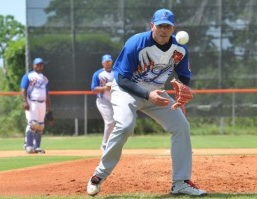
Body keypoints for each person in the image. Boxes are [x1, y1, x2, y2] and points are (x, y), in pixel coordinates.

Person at [87, 8, 207, 196]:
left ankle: (180, 182)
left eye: (167, 26)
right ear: (152, 26)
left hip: (155, 92)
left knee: (181, 126)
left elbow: (183, 75)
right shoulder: (137, 43)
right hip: (126, 90)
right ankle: (99, 175)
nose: (163, 30)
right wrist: (147, 95)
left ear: (173, 28)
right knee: (125, 125)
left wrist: (182, 92)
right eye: (159, 26)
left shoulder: (180, 50)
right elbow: (122, 79)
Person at [20, 57, 52, 154]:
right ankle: (28, 146)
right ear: (33, 65)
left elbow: (47, 94)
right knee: (33, 124)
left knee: (40, 126)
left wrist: (49, 108)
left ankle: (37, 146)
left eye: (41, 64)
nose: (39, 66)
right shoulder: (28, 76)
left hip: (42, 103)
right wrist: (25, 101)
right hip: (32, 102)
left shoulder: (45, 79)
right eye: (37, 64)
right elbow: (23, 89)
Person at [91, 54, 115, 153]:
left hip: (115, 101)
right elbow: (94, 89)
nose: (108, 63)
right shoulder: (98, 74)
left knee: (116, 123)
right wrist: (105, 88)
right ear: (102, 63)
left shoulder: (116, 72)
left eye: (109, 61)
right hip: (103, 101)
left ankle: (111, 145)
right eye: (106, 62)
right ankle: (104, 145)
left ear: (112, 62)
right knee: (110, 122)